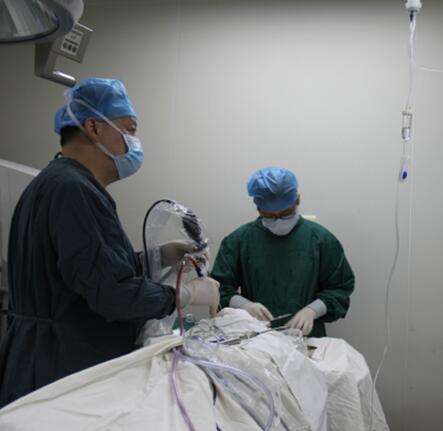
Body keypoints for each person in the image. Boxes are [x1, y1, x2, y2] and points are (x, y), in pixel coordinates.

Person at [0, 78, 219, 408]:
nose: (135, 143)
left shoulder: (58, 182)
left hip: (49, 356)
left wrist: (160, 256)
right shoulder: (73, 190)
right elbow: (112, 295)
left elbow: (88, 271)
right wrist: (185, 294)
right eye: (129, 130)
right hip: (62, 366)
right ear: (93, 127)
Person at [211, 167, 354, 337]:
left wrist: (312, 310)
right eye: (269, 216)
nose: (278, 221)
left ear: (298, 199)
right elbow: (217, 288)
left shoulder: (321, 240)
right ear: (257, 206)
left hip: (306, 338)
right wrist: (244, 305)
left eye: (286, 214)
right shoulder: (238, 241)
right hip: (254, 338)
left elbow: (339, 288)